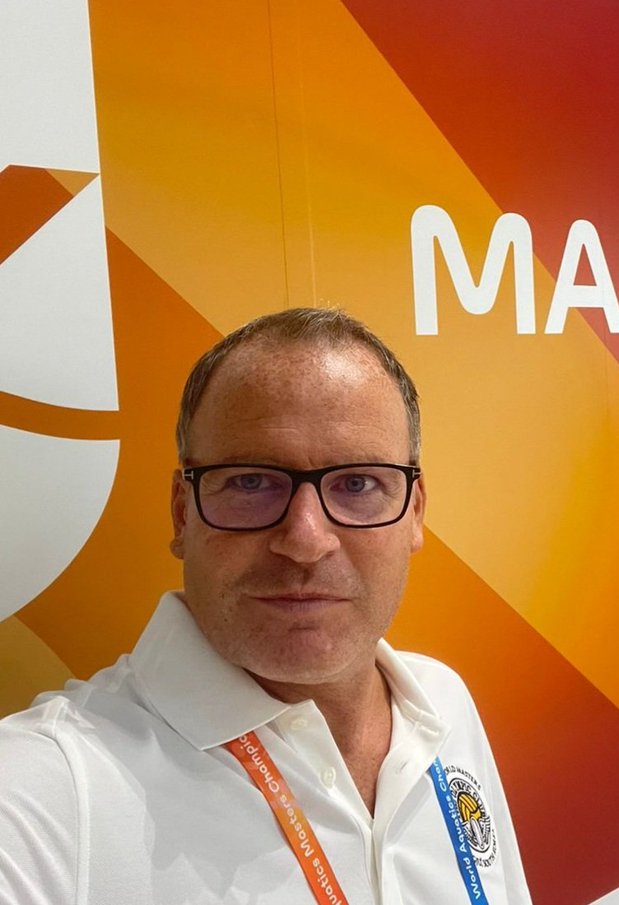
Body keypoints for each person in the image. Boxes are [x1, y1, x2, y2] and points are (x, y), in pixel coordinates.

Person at [0, 308, 532, 904]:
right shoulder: (41, 798)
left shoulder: (442, 705)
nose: (306, 540)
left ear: (414, 511)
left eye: (357, 484)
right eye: (251, 482)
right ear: (183, 512)